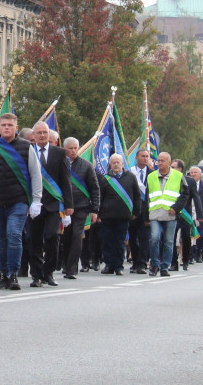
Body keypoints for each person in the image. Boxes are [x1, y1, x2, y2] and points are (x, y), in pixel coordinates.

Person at [0, 113, 42, 291]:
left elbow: (35, 174)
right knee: (0, 240)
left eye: (10, 125)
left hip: (18, 200)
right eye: (3, 125)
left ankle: (14, 274)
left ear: (16, 128)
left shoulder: (26, 147)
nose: (6, 128)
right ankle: (3, 274)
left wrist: (37, 200)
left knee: (14, 235)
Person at [26, 121, 73, 287]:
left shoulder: (59, 153)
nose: (42, 135)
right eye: (38, 133)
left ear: (49, 134)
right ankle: (36, 275)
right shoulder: (28, 151)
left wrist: (69, 205)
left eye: (45, 132)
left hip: (54, 204)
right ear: (33, 135)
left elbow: (65, 180)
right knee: (34, 239)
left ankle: (49, 272)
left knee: (52, 236)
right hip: (35, 203)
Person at [61, 136, 99, 280]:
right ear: (65, 149)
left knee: (77, 236)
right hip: (64, 207)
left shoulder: (87, 166)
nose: (73, 151)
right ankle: (65, 263)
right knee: (66, 236)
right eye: (70, 148)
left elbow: (95, 189)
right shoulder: (60, 163)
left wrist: (95, 210)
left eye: (75, 148)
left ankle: (72, 268)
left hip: (81, 207)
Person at [145, 152, 189, 277]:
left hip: (170, 214)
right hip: (155, 214)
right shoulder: (151, 176)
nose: (159, 163)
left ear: (169, 162)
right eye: (158, 160)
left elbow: (185, 195)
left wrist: (176, 208)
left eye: (162, 161)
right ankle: (154, 265)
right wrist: (145, 215)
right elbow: (147, 197)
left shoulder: (179, 176)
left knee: (169, 241)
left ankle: (165, 267)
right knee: (154, 238)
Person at [97, 153, 140, 275]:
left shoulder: (130, 177)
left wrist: (136, 212)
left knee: (120, 242)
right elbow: (100, 197)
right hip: (107, 216)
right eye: (113, 162)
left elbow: (136, 196)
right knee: (107, 241)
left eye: (118, 162)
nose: (116, 165)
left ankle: (118, 266)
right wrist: (99, 214)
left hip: (124, 216)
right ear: (110, 164)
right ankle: (109, 265)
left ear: (122, 164)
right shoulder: (105, 178)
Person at [169, 159, 200, 272]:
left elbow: (195, 197)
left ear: (180, 169)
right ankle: (173, 263)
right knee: (171, 238)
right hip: (172, 213)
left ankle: (185, 260)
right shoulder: (169, 179)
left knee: (186, 238)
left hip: (185, 213)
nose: (171, 169)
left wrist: (200, 214)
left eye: (173, 167)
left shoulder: (190, 181)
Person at [128, 148, 153, 274]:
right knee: (132, 238)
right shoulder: (130, 172)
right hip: (133, 209)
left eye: (147, 156)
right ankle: (135, 262)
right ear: (136, 158)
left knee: (144, 238)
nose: (145, 158)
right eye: (142, 156)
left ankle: (143, 263)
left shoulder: (153, 173)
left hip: (146, 211)